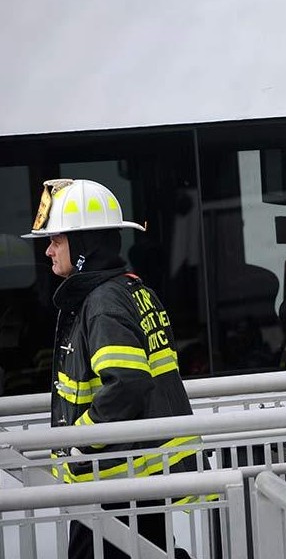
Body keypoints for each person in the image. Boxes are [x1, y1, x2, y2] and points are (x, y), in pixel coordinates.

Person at [22, 179, 200, 559]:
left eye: (57, 240)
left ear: (84, 246)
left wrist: (77, 439)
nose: (49, 250)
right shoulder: (128, 289)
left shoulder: (102, 302)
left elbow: (127, 383)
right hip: (133, 478)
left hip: (117, 481)